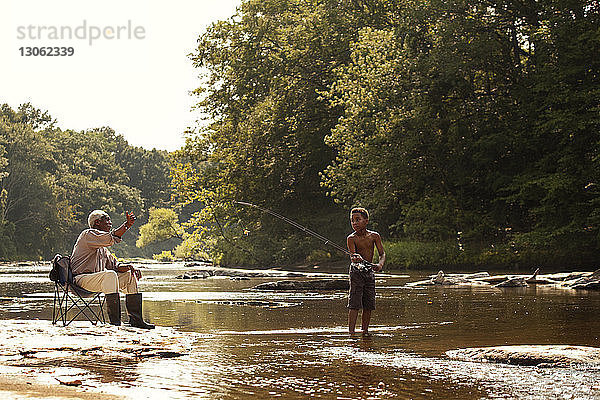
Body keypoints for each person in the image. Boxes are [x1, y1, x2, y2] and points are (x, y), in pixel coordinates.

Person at [70, 210, 154, 329]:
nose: (110, 222)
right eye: (107, 219)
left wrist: (130, 267)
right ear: (98, 222)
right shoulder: (87, 235)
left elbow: (116, 266)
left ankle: (136, 320)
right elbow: (112, 237)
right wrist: (127, 225)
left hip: (97, 281)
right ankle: (115, 323)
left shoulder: (102, 248)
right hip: (80, 280)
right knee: (109, 275)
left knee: (129, 275)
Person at [347, 207, 385, 335]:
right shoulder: (351, 238)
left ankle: (365, 331)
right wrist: (355, 257)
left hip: (369, 272)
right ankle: (351, 333)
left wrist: (380, 265)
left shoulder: (374, 236)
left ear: (366, 221)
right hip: (356, 272)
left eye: (358, 220)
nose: (355, 223)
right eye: (352, 221)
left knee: (369, 303)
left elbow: (382, 254)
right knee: (354, 303)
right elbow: (353, 256)